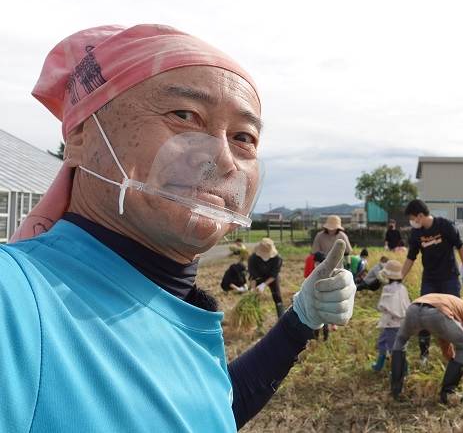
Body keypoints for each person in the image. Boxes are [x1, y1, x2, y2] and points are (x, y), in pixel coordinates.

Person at [0, 24, 357, 432]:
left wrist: (300, 321)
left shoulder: (173, 303)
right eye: (185, 116)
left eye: (244, 137)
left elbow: (205, 412)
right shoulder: (14, 298)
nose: (223, 159)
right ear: (81, 136)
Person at [400, 199, 463, 364]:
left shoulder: (444, 225)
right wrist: (399, 278)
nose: (412, 222)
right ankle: (424, 355)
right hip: (430, 280)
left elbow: (460, 247)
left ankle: (460, 356)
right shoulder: (416, 233)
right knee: (422, 315)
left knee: (453, 316)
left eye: (412, 218)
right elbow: (411, 258)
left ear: (420, 216)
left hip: (449, 278)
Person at [390, 294, 463, 405]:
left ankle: (396, 389)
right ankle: (448, 393)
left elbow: (444, 339)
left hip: (413, 308)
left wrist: (452, 359)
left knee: (401, 340)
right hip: (437, 313)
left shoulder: (457, 304)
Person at [371, 260, 411, 371]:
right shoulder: (403, 288)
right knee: (384, 342)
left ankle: (401, 371)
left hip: (391, 324)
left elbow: (382, 306)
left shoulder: (387, 288)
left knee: (395, 349)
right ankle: (379, 365)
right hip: (402, 323)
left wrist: (381, 307)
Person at [248, 238, 286, 318]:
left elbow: (274, 274)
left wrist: (263, 285)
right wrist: (253, 288)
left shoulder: (277, 258)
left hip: (271, 278)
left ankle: (281, 317)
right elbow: (253, 274)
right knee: (253, 297)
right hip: (258, 277)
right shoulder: (253, 258)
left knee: (277, 295)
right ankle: (256, 318)